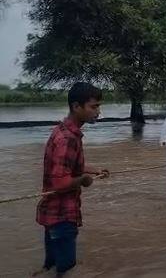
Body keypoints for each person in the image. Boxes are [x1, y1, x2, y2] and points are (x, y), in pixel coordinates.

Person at [36, 82, 110, 277]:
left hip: (52, 214)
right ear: (76, 107)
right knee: (66, 271)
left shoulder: (61, 130)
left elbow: (65, 168)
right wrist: (84, 180)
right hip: (62, 215)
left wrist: (93, 170)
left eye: (98, 106)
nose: (98, 112)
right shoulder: (68, 138)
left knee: (50, 268)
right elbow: (60, 183)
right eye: (93, 106)